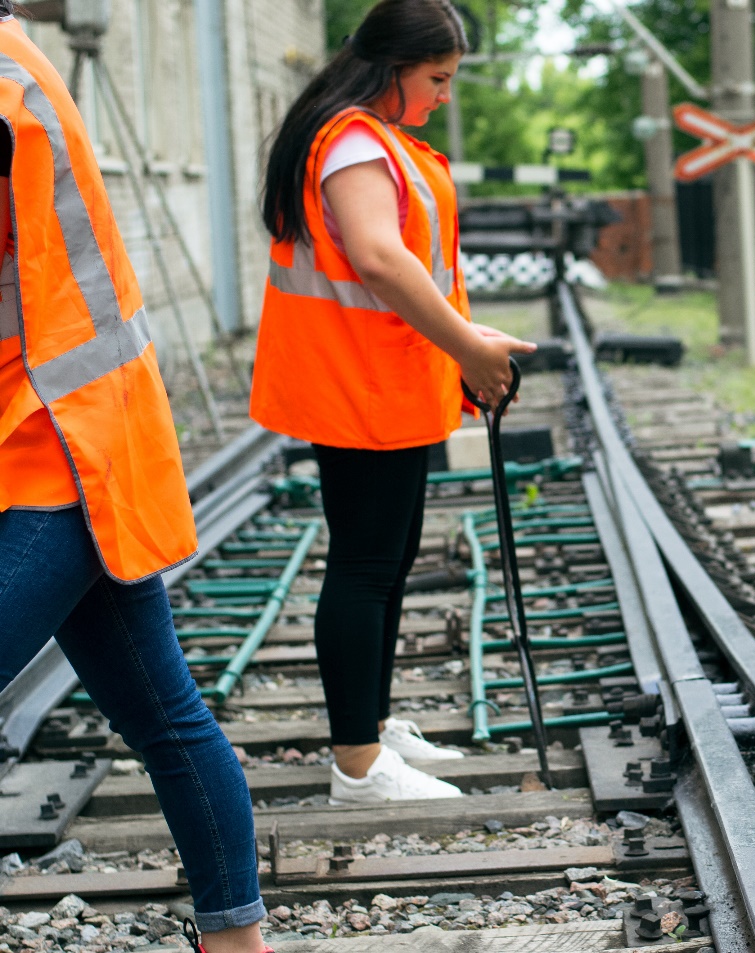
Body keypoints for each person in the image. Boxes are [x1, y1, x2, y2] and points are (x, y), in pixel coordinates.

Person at [0, 4, 270, 951]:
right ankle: (237, 939)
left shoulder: (5, 83)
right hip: (62, 436)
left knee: (168, 715)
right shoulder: (16, 66)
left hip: (57, 447)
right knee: (165, 712)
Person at [252, 0, 535, 805]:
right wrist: (468, 347)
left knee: (387, 557)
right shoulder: (350, 142)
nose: (446, 94)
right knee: (366, 564)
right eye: (437, 78)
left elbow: (409, 270)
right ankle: (358, 766)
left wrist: (465, 335)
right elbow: (379, 257)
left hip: (380, 376)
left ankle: (370, 728)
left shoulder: (371, 140)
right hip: (357, 382)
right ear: (392, 69)